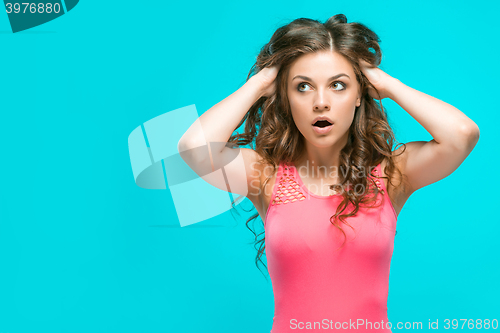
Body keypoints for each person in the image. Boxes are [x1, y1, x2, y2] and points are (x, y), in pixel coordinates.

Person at [177, 14, 480, 332]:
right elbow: (193, 147)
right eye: (303, 87)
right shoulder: (265, 176)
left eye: (338, 85)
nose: (321, 102)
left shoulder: (390, 175)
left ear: (360, 94)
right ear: (287, 98)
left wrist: (389, 85)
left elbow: (462, 134)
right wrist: (261, 83)